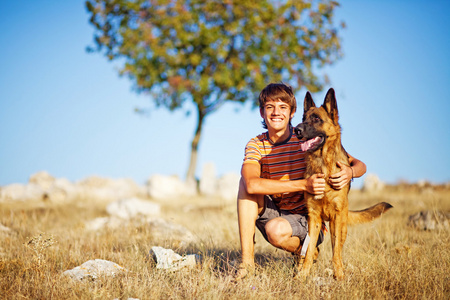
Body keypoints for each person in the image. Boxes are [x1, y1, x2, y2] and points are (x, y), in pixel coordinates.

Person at [235, 82, 366, 280]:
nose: (276, 112)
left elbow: (358, 164)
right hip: (277, 209)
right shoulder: (256, 144)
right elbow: (253, 184)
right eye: (270, 107)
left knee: (275, 230)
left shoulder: (307, 140)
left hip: (306, 217)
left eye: (283, 107)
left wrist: (350, 172)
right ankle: (247, 264)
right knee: (245, 185)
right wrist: (304, 184)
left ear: (292, 112)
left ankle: (307, 251)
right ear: (262, 112)